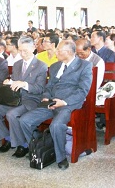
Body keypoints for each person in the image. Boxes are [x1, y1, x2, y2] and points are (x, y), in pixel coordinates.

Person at [20, 40, 93, 170]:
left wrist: (64, 102)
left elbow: (82, 91)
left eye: (59, 51)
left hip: (68, 104)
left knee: (57, 125)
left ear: (69, 52)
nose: (56, 52)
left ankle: (61, 157)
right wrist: (46, 98)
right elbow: (49, 87)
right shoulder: (55, 66)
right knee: (25, 120)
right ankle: (38, 147)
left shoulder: (84, 66)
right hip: (51, 103)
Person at [0, 36, 47, 157]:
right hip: (15, 99)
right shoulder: (17, 64)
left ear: (33, 48)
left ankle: (23, 145)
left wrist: (24, 84)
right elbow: (14, 80)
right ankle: (8, 138)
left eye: (25, 50)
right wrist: (9, 82)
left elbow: (39, 89)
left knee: (12, 114)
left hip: (31, 99)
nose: (22, 53)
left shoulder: (41, 65)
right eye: (20, 50)